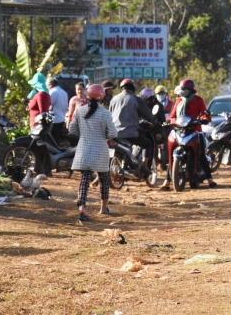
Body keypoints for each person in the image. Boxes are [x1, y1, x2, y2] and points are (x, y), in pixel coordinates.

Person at [69, 83, 119, 221]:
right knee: (103, 179)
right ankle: (103, 209)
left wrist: (84, 134)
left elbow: (72, 129)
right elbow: (113, 133)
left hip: (83, 149)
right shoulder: (105, 113)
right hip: (101, 151)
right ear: (101, 97)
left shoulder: (79, 111)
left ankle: (81, 209)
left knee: (84, 180)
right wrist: (105, 136)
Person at [165, 78, 217, 189]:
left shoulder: (199, 100)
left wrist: (204, 118)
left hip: (195, 130)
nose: (183, 91)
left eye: (185, 89)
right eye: (182, 89)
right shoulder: (179, 101)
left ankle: (210, 179)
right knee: (171, 151)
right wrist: (169, 120)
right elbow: (172, 115)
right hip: (180, 130)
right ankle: (167, 181)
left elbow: (204, 114)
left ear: (191, 90)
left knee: (201, 155)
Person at [109, 79, 156, 171]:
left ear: (121, 88)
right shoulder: (136, 99)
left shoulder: (113, 99)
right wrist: (154, 121)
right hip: (130, 134)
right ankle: (144, 167)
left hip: (113, 133)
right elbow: (148, 115)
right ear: (133, 89)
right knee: (148, 143)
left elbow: (110, 115)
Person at [48, 77, 69, 141]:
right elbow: (66, 107)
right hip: (62, 118)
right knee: (57, 139)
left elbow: (49, 104)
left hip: (54, 119)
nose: (47, 87)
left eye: (47, 85)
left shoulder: (52, 92)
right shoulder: (64, 92)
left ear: (51, 84)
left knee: (52, 139)